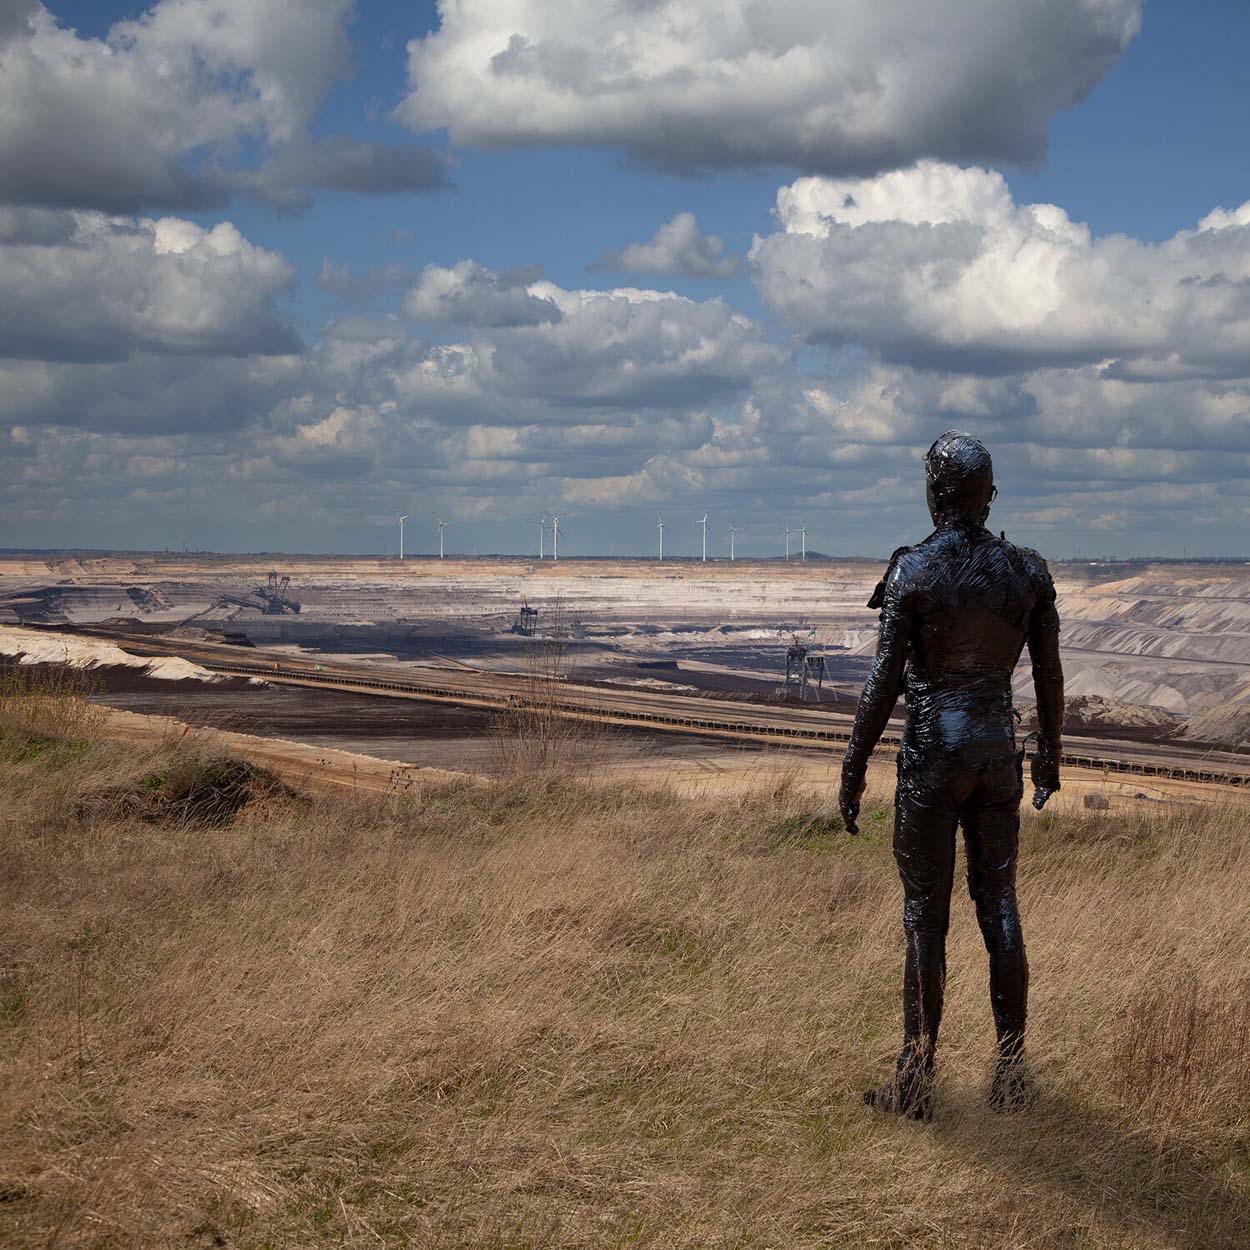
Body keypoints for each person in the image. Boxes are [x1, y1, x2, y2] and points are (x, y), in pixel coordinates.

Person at [838, 431, 1063, 1120]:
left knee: (924, 918)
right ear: (988, 495)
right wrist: (1049, 753)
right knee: (1000, 910)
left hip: (934, 755)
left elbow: (883, 682)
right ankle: (1012, 1074)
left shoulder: (913, 571)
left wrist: (854, 764)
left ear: (935, 494)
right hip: (997, 755)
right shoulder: (1027, 572)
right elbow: (1049, 676)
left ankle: (916, 1078)